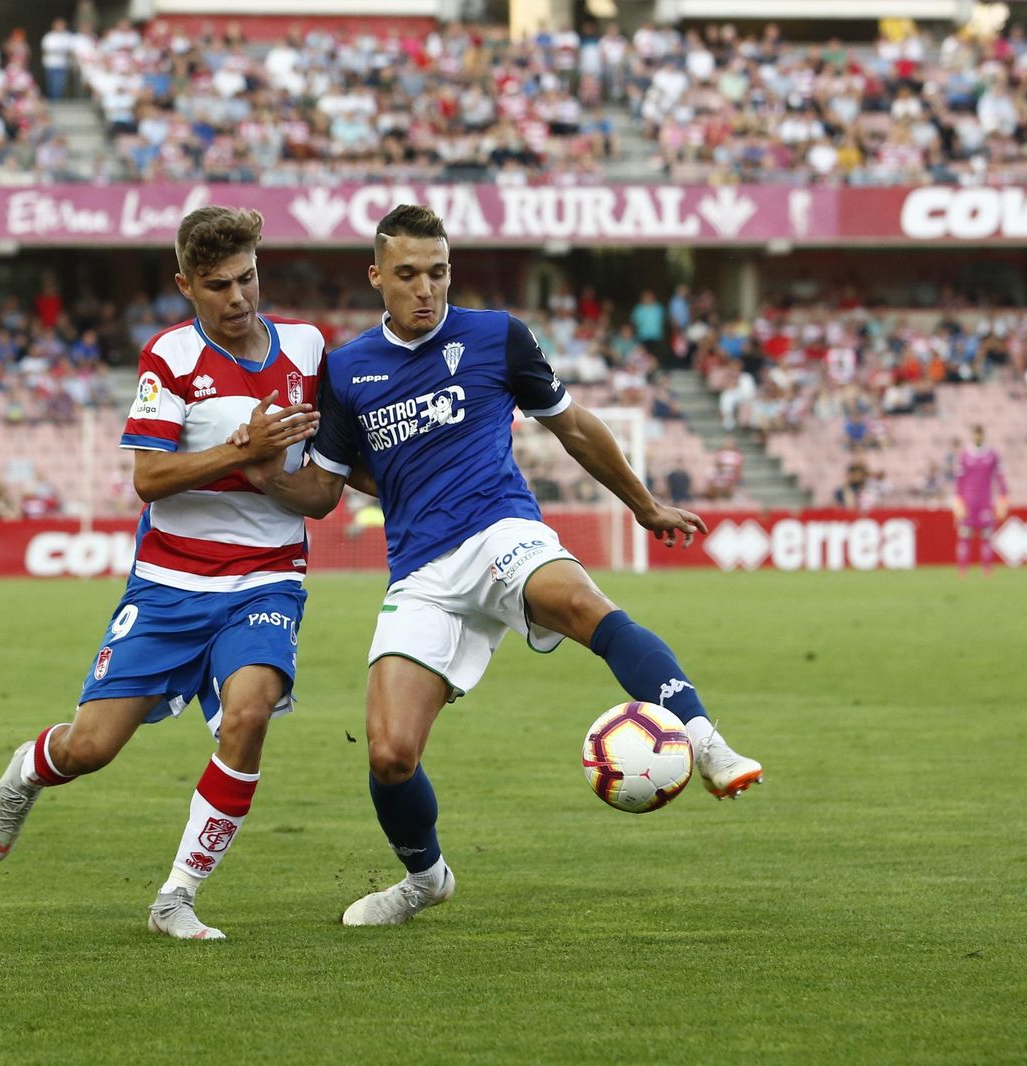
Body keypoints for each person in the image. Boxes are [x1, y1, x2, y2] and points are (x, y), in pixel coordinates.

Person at [236, 205, 763, 928]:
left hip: (501, 531)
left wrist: (644, 506)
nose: (427, 289)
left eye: (440, 272)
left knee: (584, 606)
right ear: (377, 277)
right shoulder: (348, 369)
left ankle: (706, 741)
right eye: (410, 274)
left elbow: (572, 426)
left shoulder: (497, 338)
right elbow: (324, 491)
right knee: (389, 754)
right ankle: (425, 879)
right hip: (421, 570)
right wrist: (260, 468)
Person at [0, 207, 324, 940]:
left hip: (266, 578)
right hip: (169, 583)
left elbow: (327, 479)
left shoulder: (309, 349)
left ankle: (177, 896)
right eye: (218, 285)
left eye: (249, 278)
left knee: (249, 715)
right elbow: (151, 478)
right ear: (185, 286)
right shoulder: (169, 357)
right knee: (90, 748)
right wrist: (242, 447)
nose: (238, 298)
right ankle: (33, 767)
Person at [951, 423, 1008, 576]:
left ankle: (987, 569)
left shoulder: (992, 455)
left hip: (985, 500)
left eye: (980, 434)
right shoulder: (965, 455)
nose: (978, 437)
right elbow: (959, 479)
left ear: (983, 435)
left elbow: (1000, 476)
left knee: (986, 535)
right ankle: (963, 569)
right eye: (975, 434)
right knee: (964, 533)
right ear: (972, 435)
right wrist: (957, 499)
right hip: (968, 501)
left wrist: (1003, 496)